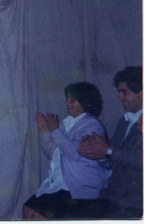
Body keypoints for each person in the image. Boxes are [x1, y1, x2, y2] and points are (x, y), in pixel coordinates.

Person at [23, 82, 107, 219]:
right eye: (67, 98)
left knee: (38, 215)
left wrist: (54, 130)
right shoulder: (66, 122)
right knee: (27, 209)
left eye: (72, 100)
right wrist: (45, 132)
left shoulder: (92, 124)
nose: (67, 102)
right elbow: (52, 155)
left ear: (85, 103)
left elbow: (74, 153)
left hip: (80, 188)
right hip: (61, 184)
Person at [77, 66, 143, 219]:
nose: (120, 98)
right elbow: (111, 161)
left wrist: (108, 150)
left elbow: (142, 161)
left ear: (141, 92)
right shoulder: (124, 121)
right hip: (113, 199)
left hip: (136, 205)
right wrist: (96, 151)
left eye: (124, 92)